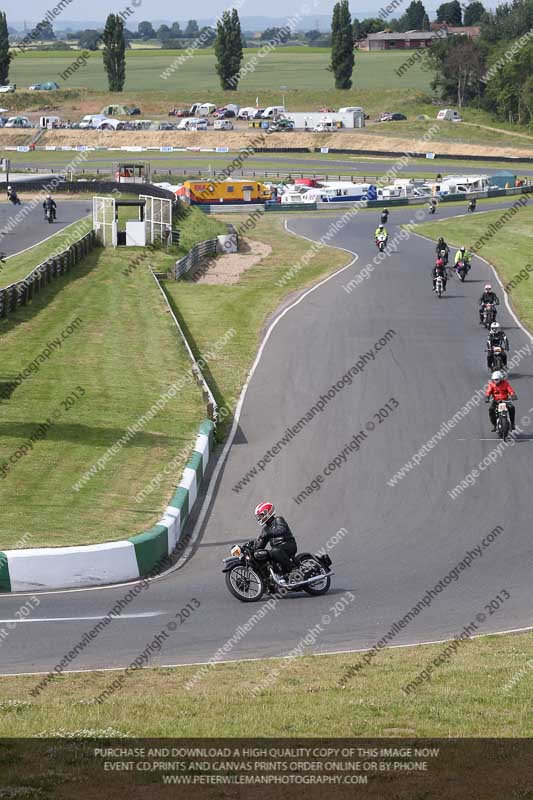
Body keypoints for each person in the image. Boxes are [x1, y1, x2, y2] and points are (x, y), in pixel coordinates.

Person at [254, 501, 297, 578]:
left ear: (268, 512)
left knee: (274, 551)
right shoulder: (265, 529)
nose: (259, 518)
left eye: (261, 515)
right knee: (264, 555)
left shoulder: (278, 520)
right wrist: (253, 546)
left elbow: (281, 529)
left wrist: (268, 534)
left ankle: (293, 568)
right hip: (277, 550)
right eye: (259, 516)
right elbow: (261, 545)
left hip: (288, 545)